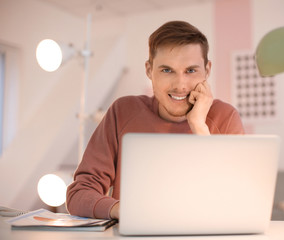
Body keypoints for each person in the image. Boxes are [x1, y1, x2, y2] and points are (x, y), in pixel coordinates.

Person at [66, 20, 245, 220]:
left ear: (207, 70)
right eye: (167, 70)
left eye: (191, 70)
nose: (180, 85)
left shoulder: (226, 117)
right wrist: (124, 211)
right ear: (149, 70)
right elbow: (79, 195)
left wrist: (198, 127)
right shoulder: (123, 112)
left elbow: (237, 203)